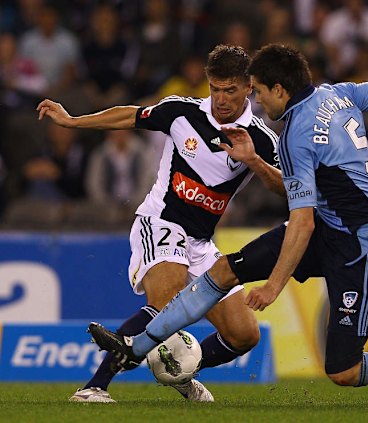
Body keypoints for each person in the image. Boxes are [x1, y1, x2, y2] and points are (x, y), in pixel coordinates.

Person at [88, 43, 368, 407]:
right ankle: (137, 346)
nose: (259, 103)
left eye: (259, 93)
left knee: (344, 371)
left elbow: (301, 222)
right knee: (224, 269)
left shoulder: (294, 137)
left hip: (359, 242)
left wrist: (273, 285)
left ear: (279, 89)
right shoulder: (338, 92)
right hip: (328, 226)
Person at [37, 45, 283, 403]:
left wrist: (255, 162)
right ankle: (93, 387)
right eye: (215, 88)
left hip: (201, 242)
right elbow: (130, 116)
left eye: (230, 90)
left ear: (249, 87)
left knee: (244, 335)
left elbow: (287, 190)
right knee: (166, 298)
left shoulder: (261, 139)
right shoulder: (181, 112)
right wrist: (74, 121)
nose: (221, 98)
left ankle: (181, 371)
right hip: (161, 221)